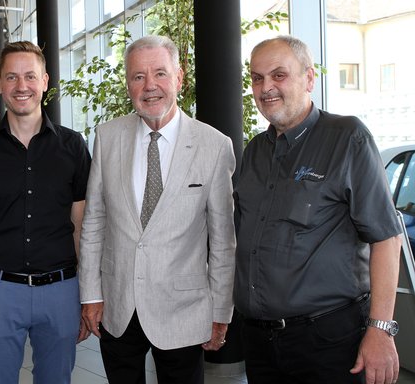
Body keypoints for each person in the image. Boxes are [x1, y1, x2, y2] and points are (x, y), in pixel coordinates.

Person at [234, 35, 403, 384]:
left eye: (279, 75)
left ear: (309, 79)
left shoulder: (347, 138)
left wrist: (381, 330)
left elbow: (386, 238)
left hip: (328, 342)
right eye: (257, 77)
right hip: (260, 343)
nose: (266, 87)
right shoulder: (253, 152)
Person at [79, 35, 237, 384]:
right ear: (127, 83)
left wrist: (221, 311)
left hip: (183, 311)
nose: (150, 86)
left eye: (160, 74)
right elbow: (94, 224)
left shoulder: (214, 145)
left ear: (179, 78)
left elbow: (224, 241)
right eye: (138, 76)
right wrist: (90, 295)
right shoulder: (107, 137)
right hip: (118, 307)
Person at [0, 41, 91, 384]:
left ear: (44, 81)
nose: (21, 86)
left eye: (30, 76)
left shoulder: (73, 147)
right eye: (11, 77)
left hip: (61, 290)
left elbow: (83, 228)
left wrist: (88, 298)